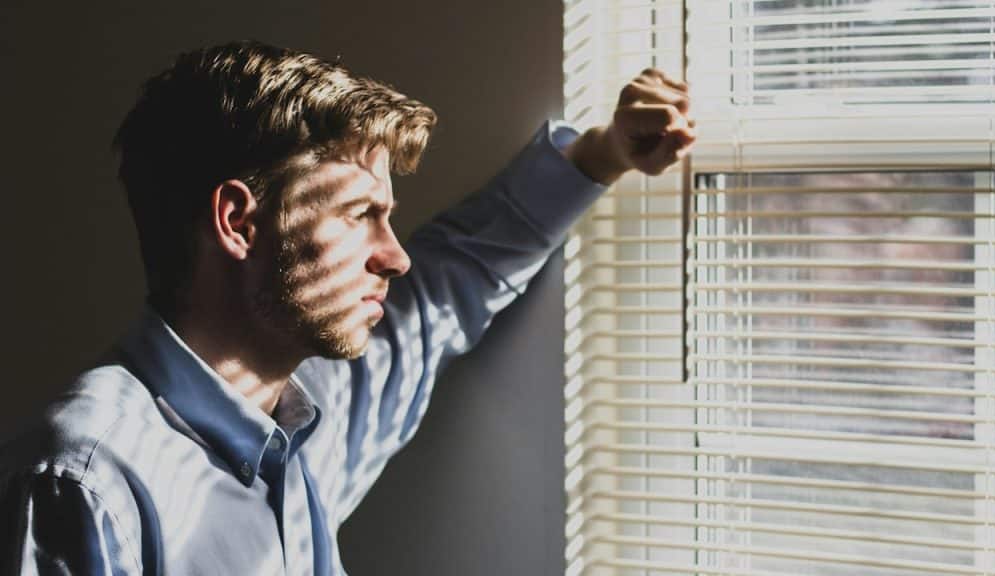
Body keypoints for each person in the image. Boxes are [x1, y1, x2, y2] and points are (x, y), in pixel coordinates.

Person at [0, 41, 695, 575]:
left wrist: (602, 154)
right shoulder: (85, 481)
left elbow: (451, 282)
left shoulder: (310, 416)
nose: (394, 256)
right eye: (362, 215)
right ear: (239, 223)